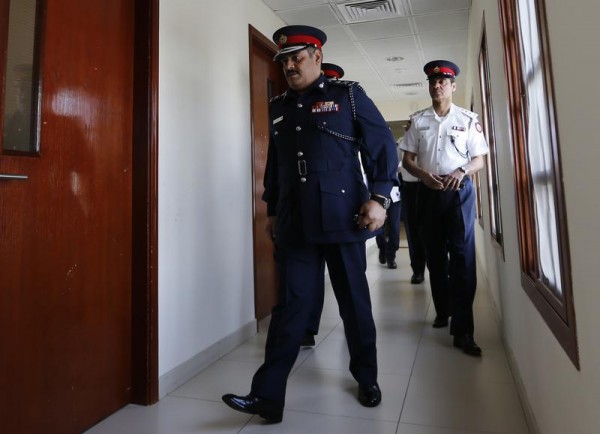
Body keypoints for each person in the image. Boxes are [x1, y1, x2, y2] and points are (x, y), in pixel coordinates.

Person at [222, 25, 398, 423]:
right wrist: (271, 210)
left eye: (296, 58)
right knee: (290, 308)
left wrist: (380, 198)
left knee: (353, 303)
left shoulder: (347, 96)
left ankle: (367, 378)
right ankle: (267, 396)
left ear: (317, 57)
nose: (289, 66)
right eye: (283, 60)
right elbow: (276, 164)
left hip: (342, 217)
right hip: (295, 221)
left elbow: (383, 146)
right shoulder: (280, 106)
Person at [399, 60, 488, 356]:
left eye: (442, 82)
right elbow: (408, 160)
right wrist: (422, 175)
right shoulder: (418, 120)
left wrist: (461, 171)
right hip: (428, 193)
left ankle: (464, 330)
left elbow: (479, 159)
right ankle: (442, 310)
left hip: (458, 193)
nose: (437, 86)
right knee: (435, 256)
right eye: (433, 82)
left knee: (462, 259)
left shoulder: (467, 119)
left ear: (452, 86)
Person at [301, 62, 345, 348]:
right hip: (308, 206)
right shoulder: (298, 111)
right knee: (311, 276)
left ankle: (352, 326)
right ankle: (307, 328)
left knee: (347, 281)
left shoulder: (346, 105)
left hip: (341, 207)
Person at [398, 152, 426, 283]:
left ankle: (441, 268)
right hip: (409, 187)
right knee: (412, 230)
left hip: (432, 184)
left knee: (435, 230)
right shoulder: (402, 144)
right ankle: (418, 270)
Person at [375, 144, 401, 269]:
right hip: (378, 193)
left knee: (394, 226)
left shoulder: (398, 152)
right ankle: (382, 248)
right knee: (379, 225)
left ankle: (391, 256)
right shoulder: (374, 154)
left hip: (395, 194)